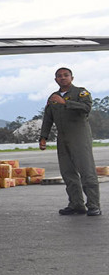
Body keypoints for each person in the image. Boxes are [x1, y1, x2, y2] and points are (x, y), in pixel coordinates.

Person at [39, 67, 101, 216]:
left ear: (72, 78)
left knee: (87, 171)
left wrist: (66, 103)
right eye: (59, 76)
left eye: (66, 75)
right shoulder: (53, 97)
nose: (62, 78)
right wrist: (43, 137)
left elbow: (86, 108)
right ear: (55, 80)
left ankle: (94, 205)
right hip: (62, 138)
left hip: (79, 137)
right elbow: (48, 118)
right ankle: (76, 204)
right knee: (68, 172)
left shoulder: (80, 93)